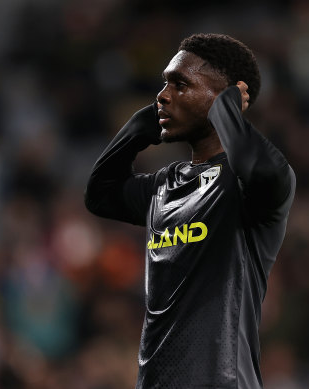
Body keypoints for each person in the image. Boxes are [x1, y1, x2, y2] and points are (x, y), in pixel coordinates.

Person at [85, 33, 296, 389]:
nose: (163, 95)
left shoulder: (244, 187)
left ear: (225, 97)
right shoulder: (162, 187)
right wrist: (144, 124)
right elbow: (99, 195)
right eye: (164, 84)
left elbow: (262, 172)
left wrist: (225, 112)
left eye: (180, 84)